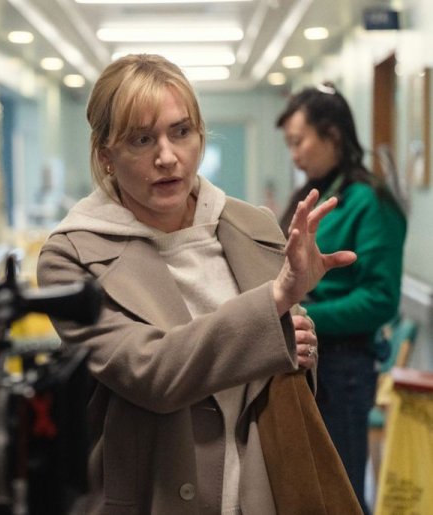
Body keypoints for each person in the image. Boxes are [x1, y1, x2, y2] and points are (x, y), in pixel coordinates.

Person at [37, 54, 361, 514]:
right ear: (106, 156)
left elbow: (288, 365)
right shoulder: (70, 258)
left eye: (181, 132)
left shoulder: (254, 226)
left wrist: (301, 342)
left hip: (264, 493)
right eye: (142, 139)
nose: (167, 156)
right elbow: (151, 373)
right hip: (152, 496)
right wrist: (273, 305)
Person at [276, 82, 407, 513]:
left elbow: (379, 299)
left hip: (344, 366)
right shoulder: (313, 194)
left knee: (341, 492)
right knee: (306, 491)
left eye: (299, 141)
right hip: (302, 357)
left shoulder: (369, 201)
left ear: (332, 134)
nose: (294, 154)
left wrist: (304, 314)